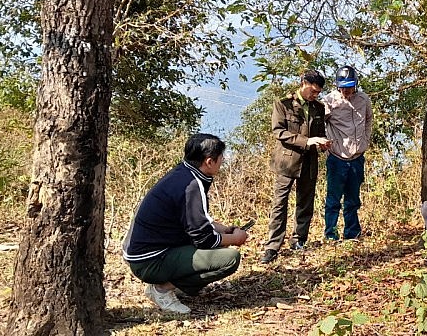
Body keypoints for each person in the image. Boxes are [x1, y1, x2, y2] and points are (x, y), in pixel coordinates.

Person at [122, 133, 248, 314]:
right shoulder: (192, 186)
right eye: (221, 158)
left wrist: (225, 230)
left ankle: (172, 284)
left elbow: (195, 220)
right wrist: (235, 239)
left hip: (141, 252)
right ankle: (162, 290)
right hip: (149, 260)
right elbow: (204, 240)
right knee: (229, 259)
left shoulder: (184, 172)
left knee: (217, 247)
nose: (223, 161)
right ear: (209, 162)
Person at [261, 70, 331, 263]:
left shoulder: (319, 107)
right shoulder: (283, 104)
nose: (315, 94)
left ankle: (299, 240)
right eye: (313, 90)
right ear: (303, 83)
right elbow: (279, 132)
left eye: (318, 92)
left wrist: (322, 143)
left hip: (309, 162)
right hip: (286, 161)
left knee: (305, 203)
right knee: (279, 204)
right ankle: (273, 246)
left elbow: (319, 132)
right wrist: (306, 141)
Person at [320, 66, 373, 241]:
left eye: (349, 86)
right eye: (343, 87)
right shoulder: (328, 101)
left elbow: (368, 120)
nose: (346, 90)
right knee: (333, 200)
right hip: (337, 158)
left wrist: (365, 140)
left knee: (353, 200)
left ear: (356, 84)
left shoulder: (363, 100)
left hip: (357, 158)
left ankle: (352, 234)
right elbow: (317, 120)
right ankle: (331, 234)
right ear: (337, 86)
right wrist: (323, 141)